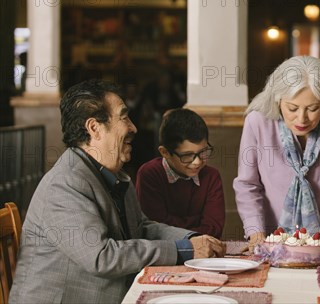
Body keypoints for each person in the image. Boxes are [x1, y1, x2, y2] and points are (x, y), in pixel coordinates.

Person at [9, 80, 225, 304]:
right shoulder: (64, 184)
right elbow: (102, 256)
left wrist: (192, 239)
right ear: (94, 128)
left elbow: (142, 228)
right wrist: (184, 250)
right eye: (124, 117)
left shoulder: (114, 176)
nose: (133, 127)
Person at [233, 56, 320, 257]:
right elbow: (247, 185)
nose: (302, 118)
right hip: (270, 238)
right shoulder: (257, 120)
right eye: (292, 108)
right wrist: (256, 236)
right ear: (278, 100)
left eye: (313, 108)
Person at [136, 108, 225, 238]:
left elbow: (214, 230)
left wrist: (172, 225)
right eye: (187, 156)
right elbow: (155, 230)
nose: (197, 162)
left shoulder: (211, 176)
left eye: (204, 152)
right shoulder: (150, 175)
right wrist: (196, 224)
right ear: (165, 153)